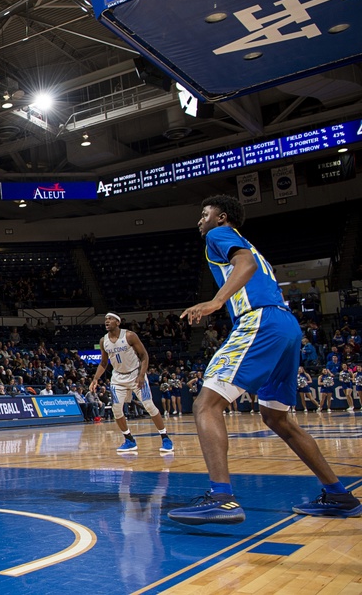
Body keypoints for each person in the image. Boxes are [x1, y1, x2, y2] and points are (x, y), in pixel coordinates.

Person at [169, 195, 360, 524]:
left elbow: (246, 265)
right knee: (277, 418)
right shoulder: (247, 242)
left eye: (205, 214)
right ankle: (339, 495)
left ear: (222, 217)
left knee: (205, 404)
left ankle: (222, 497)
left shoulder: (219, 235)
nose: (200, 220)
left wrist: (215, 302)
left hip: (261, 322)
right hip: (286, 327)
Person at [89, 313, 173, 454]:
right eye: (105, 320)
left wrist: (141, 375)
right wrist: (95, 379)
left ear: (118, 322)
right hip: (118, 378)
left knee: (149, 406)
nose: (107, 321)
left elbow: (144, 356)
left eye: (110, 319)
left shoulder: (129, 336)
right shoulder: (104, 341)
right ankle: (129, 440)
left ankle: (165, 438)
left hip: (135, 374)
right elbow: (103, 363)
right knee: (116, 409)